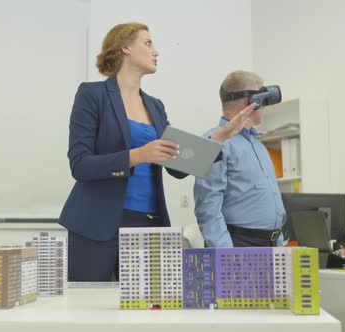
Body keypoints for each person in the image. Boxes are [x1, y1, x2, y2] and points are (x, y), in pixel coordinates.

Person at [59, 23, 255, 281]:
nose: (156, 51)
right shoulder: (92, 95)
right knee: (88, 308)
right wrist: (139, 155)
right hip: (97, 224)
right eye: (148, 43)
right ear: (125, 47)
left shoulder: (155, 106)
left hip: (148, 223)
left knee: (145, 314)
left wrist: (221, 136)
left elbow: (176, 165)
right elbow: (80, 165)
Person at [194, 70, 286, 248]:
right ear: (251, 102)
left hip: (271, 244)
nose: (265, 106)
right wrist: (226, 257)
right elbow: (208, 207)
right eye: (264, 100)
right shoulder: (215, 142)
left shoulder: (257, 144)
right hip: (239, 245)